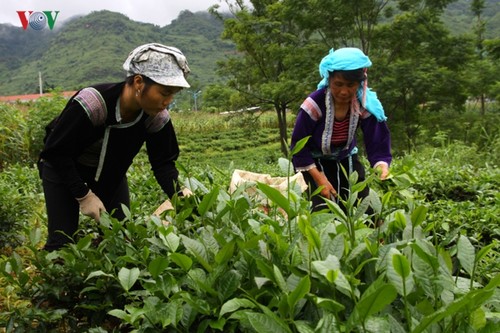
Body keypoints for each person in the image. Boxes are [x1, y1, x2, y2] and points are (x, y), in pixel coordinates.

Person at [38, 43, 191, 251]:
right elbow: (56, 152)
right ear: (139, 82)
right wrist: (84, 195)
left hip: (111, 175)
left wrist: (182, 198)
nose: (168, 101)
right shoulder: (93, 104)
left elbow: (163, 163)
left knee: (121, 239)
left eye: (173, 94)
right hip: (64, 169)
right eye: (164, 93)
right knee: (62, 244)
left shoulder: (156, 117)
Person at [290, 47, 392, 213]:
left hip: (346, 158)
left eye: (350, 85)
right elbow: (298, 146)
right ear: (329, 80)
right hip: (313, 163)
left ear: (360, 83)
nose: (344, 91)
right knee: (322, 209)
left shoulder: (364, 103)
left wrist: (381, 164)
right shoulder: (314, 104)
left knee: (364, 207)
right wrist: (319, 178)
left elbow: (376, 138)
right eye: (338, 84)